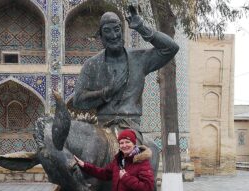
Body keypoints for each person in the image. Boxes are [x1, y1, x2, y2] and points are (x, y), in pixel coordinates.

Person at [73, 5, 179, 142]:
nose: (113, 35)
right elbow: (78, 100)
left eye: (117, 29)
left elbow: (171, 48)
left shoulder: (139, 58)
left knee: (137, 152)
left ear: (122, 31)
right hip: (103, 127)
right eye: (107, 31)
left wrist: (141, 27)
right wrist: (105, 93)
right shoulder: (92, 65)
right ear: (100, 35)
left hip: (131, 125)